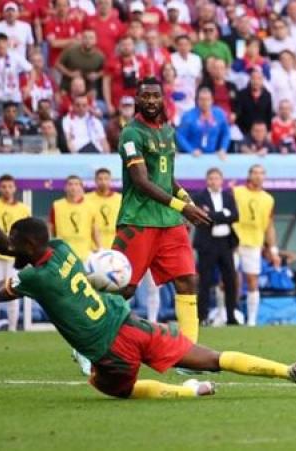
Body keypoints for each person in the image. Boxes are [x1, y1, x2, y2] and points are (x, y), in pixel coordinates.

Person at [0, 209, 296, 399]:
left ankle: (188, 393)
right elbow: (8, 246)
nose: (11, 246)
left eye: (17, 241)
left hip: (109, 351)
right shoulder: (61, 248)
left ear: (30, 246)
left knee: (108, 387)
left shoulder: (35, 278)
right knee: (212, 358)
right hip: (132, 324)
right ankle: (286, 370)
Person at [113, 77, 212, 348]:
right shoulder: (131, 134)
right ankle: (86, 343)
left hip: (169, 221)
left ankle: (189, 353)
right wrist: (183, 207)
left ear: (162, 98)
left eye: (155, 96)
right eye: (145, 96)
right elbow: (141, 181)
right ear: (137, 99)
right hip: (139, 219)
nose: (151, 101)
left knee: (188, 280)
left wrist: (186, 199)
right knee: (124, 287)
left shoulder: (168, 131)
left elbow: (166, 179)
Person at [232, 165, 281, 326]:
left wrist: (273, 250)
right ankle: (226, 314)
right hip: (233, 241)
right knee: (228, 279)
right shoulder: (236, 192)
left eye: (261, 173)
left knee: (252, 280)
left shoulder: (268, 199)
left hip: (254, 243)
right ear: (249, 175)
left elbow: (270, 226)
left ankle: (252, 320)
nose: (258, 176)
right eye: (255, 173)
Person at [193, 168, 239, 325]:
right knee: (205, 281)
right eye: (211, 178)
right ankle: (202, 317)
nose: (214, 181)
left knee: (230, 279)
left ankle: (231, 316)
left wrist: (213, 214)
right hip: (207, 244)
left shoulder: (228, 196)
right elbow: (203, 217)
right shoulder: (199, 197)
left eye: (217, 178)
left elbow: (235, 216)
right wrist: (223, 214)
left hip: (225, 243)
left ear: (221, 180)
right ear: (207, 180)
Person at [0, 174, 29, 332]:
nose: (7, 189)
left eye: (10, 186)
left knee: (14, 291)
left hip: (15, 256)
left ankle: (13, 329)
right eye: (4, 187)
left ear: (15, 188)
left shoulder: (23, 208)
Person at [49, 175, 100, 263]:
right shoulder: (57, 205)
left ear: (81, 188)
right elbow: (51, 229)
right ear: (65, 188)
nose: (73, 187)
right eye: (70, 184)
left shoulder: (91, 206)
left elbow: (94, 230)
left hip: (84, 256)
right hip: (63, 255)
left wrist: (100, 248)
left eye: (76, 184)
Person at [176, 88, 231, 158]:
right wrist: (191, 150)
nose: (204, 102)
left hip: (212, 155)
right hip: (192, 156)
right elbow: (180, 136)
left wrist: (223, 149)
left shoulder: (219, 114)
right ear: (197, 101)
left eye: (207, 99)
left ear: (212, 100)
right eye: (201, 99)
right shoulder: (188, 116)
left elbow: (226, 133)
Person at [86, 168, 122, 250]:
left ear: (111, 180)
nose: (103, 182)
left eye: (106, 179)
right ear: (95, 181)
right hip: (92, 249)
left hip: (115, 246)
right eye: (100, 179)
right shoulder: (86, 199)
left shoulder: (120, 199)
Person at [236, 69, 273, 136]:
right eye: (253, 78)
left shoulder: (267, 95)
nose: (256, 81)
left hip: (262, 133)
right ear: (250, 79)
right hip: (245, 132)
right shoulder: (242, 94)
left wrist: (268, 132)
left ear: (262, 80)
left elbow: (269, 116)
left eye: (259, 79)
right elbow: (238, 115)